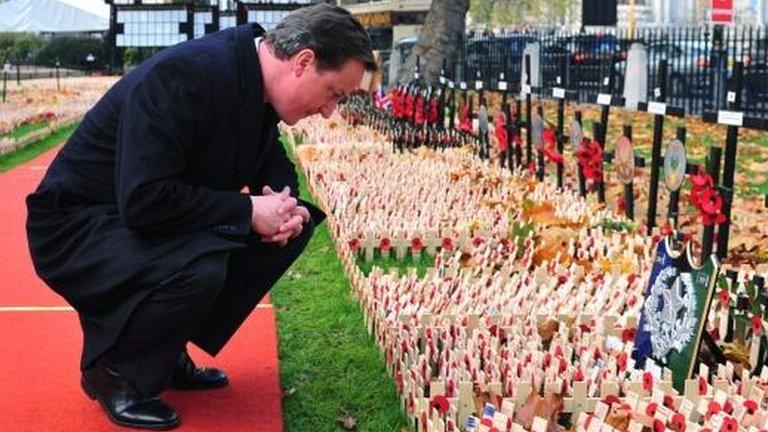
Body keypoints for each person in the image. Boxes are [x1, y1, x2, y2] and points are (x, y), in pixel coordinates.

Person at [25, 4, 375, 430]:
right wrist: (246, 210)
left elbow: (270, 161)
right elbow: (143, 199)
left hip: (132, 217)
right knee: (200, 269)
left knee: (293, 230)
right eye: (334, 93)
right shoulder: (188, 77)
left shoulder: (254, 81)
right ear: (303, 62)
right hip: (75, 227)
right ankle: (112, 372)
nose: (329, 112)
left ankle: (165, 351)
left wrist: (287, 207)